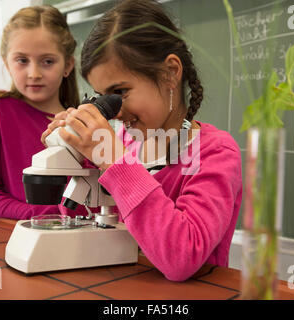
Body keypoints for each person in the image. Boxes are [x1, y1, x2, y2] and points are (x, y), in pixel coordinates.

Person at [44, 0, 243, 281]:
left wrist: (115, 162)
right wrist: (76, 158)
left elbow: (182, 258)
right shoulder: (118, 141)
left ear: (170, 72)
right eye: (103, 97)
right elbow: (71, 220)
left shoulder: (215, 152)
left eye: (120, 92)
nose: (116, 111)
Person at [0, 5, 88, 220]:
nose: (34, 73)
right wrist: (46, 216)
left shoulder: (84, 125)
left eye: (47, 62)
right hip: (16, 239)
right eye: (22, 60)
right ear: (7, 63)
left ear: (68, 65)